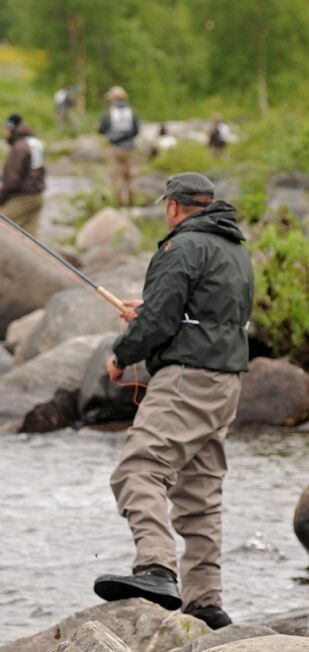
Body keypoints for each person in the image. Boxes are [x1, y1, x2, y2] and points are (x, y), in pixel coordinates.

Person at [94, 172, 254, 631]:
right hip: (227, 382)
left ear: (173, 207)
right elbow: (207, 314)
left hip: (188, 378)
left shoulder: (181, 247)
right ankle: (204, 600)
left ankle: (156, 567)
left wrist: (123, 355)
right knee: (200, 492)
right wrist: (150, 310)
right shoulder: (234, 250)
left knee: (137, 470)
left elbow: (162, 321)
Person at [0, 113, 46, 236]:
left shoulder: (19, 148)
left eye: (6, 129)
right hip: (37, 197)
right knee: (31, 238)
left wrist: (0, 201)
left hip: (23, 198)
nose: (5, 133)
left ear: (11, 129)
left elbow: (11, 181)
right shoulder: (35, 143)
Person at [98, 86, 139, 207]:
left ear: (112, 98)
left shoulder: (109, 113)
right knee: (131, 176)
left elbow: (101, 129)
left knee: (117, 177)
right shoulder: (131, 111)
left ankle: (119, 204)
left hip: (116, 148)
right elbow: (136, 130)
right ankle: (132, 203)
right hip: (130, 148)